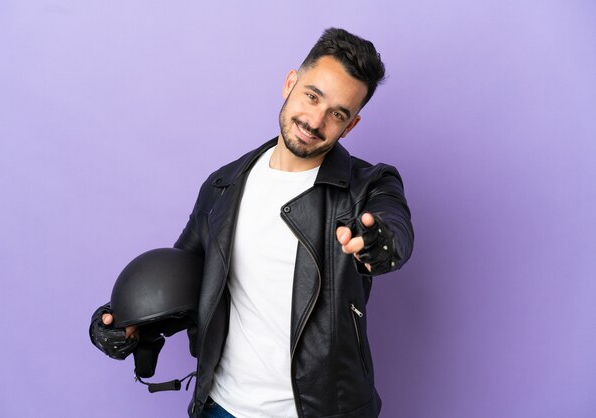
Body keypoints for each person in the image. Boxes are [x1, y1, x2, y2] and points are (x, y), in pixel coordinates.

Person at [95, 27, 414, 417]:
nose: (315, 120)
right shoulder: (223, 185)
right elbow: (187, 281)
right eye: (312, 96)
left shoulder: (367, 187)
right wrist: (127, 322)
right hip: (221, 406)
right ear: (290, 83)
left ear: (351, 126)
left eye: (337, 114)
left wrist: (379, 244)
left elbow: (394, 231)